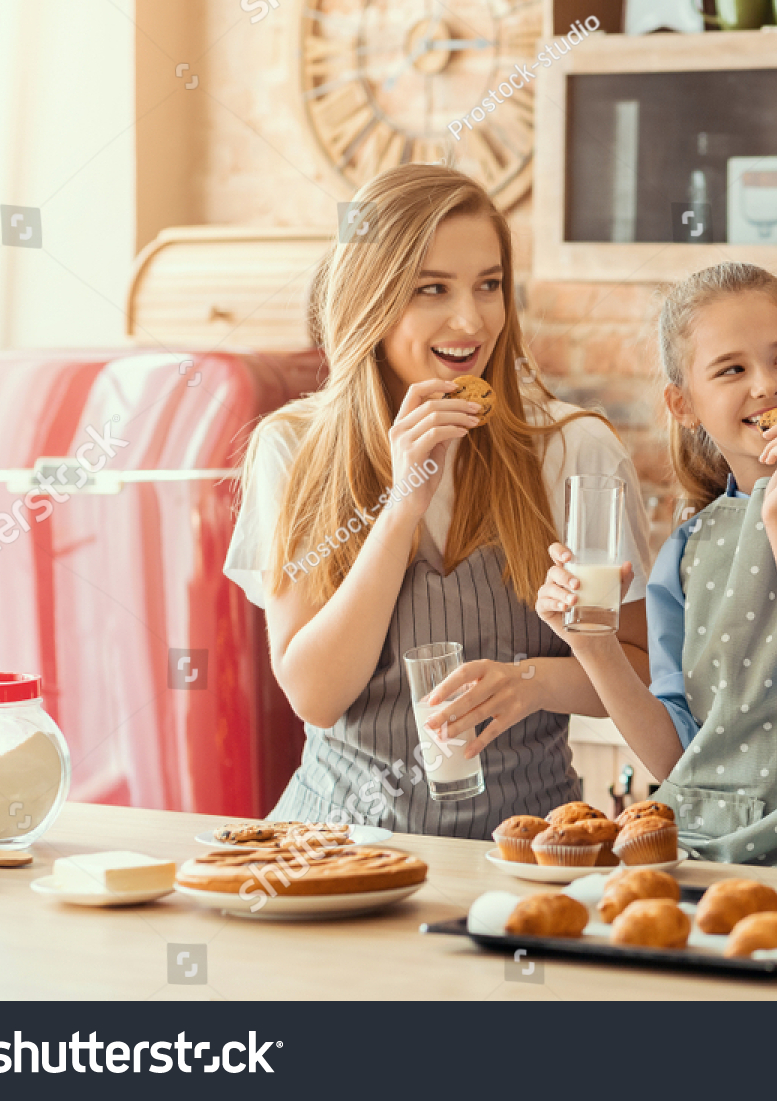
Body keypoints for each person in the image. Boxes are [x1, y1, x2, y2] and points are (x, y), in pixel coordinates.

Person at [224, 164, 653, 837]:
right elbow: (316, 695)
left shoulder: (573, 451)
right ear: (370, 296)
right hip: (336, 844)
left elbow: (643, 669)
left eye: (489, 285)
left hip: (527, 852)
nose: (471, 319)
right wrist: (401, 505)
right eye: (432, 288)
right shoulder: (293, 449)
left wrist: (533, 681)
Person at [537, 262, 777, 874]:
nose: (767, 385)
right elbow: (674, 757)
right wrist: (592, 645)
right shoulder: (687, 549)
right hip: (700, 851)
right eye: (732, 369)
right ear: (683, 405)